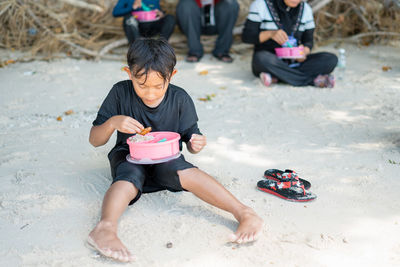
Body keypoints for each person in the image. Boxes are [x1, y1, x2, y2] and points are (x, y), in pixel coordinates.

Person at [87, 38, 263, 262]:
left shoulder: (180, 98)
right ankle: (105, 228)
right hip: (129, 156)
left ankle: (244, 212)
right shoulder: (120, 93)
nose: (150, 93)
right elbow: (95, 140)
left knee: (182, 168)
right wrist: (113, 123)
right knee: (130, 174)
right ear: (128, 73)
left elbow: (192, 138)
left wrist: (195, 144)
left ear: (172, 76)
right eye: (142, 85)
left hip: (168, 161)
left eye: (158, 86)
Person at [242, 0, 338, 88]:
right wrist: (270, 33)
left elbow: (308, 42)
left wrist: (304, 51)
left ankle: (278, 77)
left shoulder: (305, 9)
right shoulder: (261, 4)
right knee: (260, 58)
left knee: (331, 59)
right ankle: (312, 81)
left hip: (295, 62)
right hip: (271, 60)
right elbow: (247, 37)